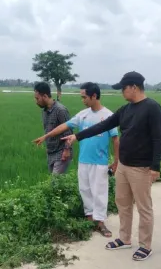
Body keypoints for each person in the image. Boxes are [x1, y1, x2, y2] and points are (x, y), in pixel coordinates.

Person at [62, 71, 161, 261]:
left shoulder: (152, 108)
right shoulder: (125, 110)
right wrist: (77, 136)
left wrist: (155, 167)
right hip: (124, 166)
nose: (121, 93)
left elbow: (158, 139)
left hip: (141, 168)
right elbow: (103, 125)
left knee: (144, 207)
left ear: (134, 87)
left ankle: (145, 245)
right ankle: (125, 239)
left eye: (123, 88)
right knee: (122, 204)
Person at [33, 82, 120, 236]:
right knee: (84, 190)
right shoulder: (83, 114)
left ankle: (100, 222)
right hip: (83, 160)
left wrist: (116, 161)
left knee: (99, 192)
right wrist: (46, 136)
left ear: (94, 96)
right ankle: (89, 218)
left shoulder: (108, 116)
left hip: (99, 161)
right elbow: (64, 126)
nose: (83, 100)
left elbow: (115, 139)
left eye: (84, 97)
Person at [34, 81, 73, 174]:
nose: (36, 101)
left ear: (45, 96)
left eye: (37, 98)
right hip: (50, 152)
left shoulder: (60, 110)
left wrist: (67, 150)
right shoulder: (44, 111)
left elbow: (69, 132)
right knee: (56, 185)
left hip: (61, 152)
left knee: (55, 183)